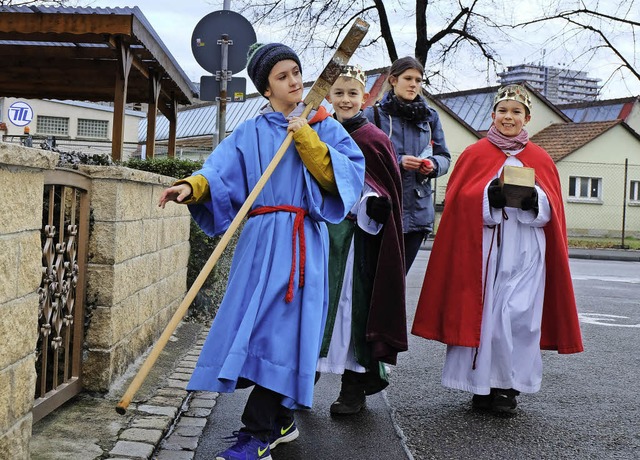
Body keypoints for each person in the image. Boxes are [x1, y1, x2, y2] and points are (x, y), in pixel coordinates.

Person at [158, 43, 365, 460]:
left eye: (296, 72)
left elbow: (344, 177)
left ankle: (257, 433)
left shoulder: (325, 127)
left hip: (302, 240)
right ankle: (281, 418)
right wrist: (191, 186)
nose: (294, 81)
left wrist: (306, 137)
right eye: (282, 76)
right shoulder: (249, 133)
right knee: (255, 331)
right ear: (266, 88)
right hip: (259, 241)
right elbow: (218, 171)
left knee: (284, 333)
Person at [411, 84, 583, 415]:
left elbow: (554, 209)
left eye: (516, 112)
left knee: (519, 317)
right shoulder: (475, 155)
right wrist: (488, 198)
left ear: (527, 118)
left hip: (527, 250)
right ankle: (481, 386)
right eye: (502, 111)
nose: (508, 117)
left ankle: (508, 386)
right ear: (493, 115)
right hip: (484, 253)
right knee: (486, 315)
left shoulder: (541, 158)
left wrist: (537, 201)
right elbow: (459, 202)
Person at [317, 64, 407, 415]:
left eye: (352, 93)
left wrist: (376, 205)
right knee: (317, 304)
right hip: (322, 235)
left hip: (358, 241)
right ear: (329, 96)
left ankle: (352, 386)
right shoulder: (319, 133)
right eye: (338, 93)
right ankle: (301, 381)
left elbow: (385, 188)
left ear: (364, 97)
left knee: (353, 308)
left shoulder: (375, 139)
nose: (345, 99)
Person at [363, 56, 450, 273]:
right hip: (384, 209)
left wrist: (432, 165)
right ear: (393, 80)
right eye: (408, 78)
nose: (414, 84)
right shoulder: (373, 115)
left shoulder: (431, 117)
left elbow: (444, 157)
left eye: (419, 80)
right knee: (377, 281)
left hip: (418, 213)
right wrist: (398, 161)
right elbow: (364, 158)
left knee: (399, 281)